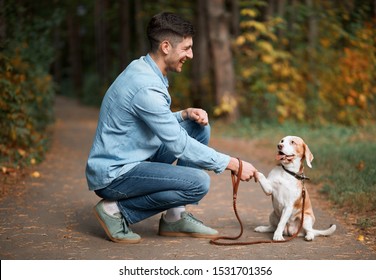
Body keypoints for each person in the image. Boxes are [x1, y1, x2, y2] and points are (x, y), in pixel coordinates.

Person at [85, 12, 258, 243]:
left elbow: (152, 124)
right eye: (186, 48)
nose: (191, 55)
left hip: (135, 158)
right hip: (116, 175)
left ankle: (175, 217)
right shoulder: (145, 86)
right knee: (198, 182)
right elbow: (178, 144)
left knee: (197, 128)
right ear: (166, 46)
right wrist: (233, 164)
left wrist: (184, 114)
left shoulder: (144, 69)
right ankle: (115, 210)